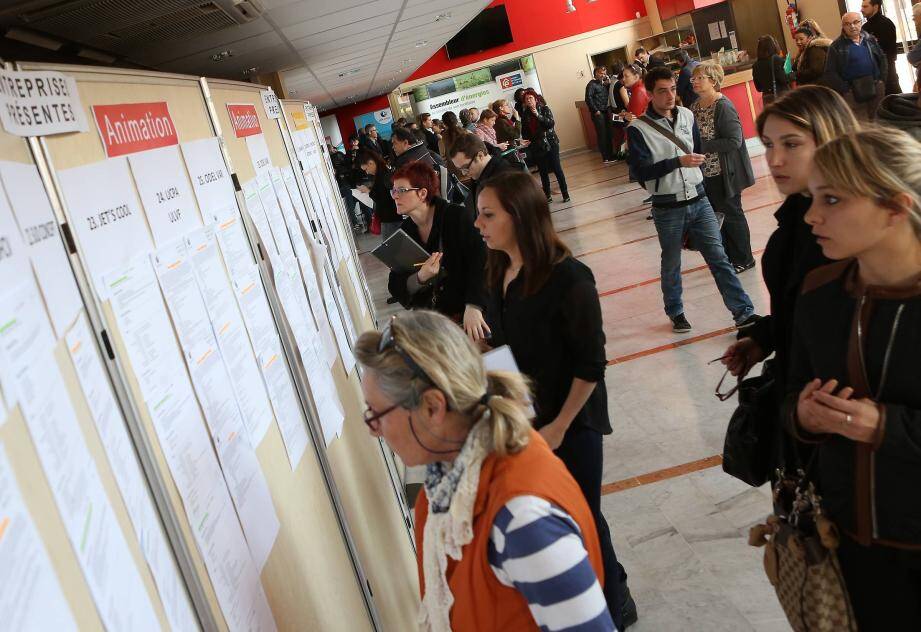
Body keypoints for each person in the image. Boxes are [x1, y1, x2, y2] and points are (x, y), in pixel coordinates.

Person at [355, 311, 615, 632]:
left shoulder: (523, 521)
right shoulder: (445, 488)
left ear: (433, 407)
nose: (374, 429)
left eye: (376, 413)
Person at [475, 171, 638, 630]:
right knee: (555, 515)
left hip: (572, 419)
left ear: (521, 217)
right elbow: (507, 347)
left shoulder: (570, 279)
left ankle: (613, 602)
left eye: (488, 215)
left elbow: (591, 364)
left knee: (584, 514)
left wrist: (561, 425)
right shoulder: (500, 273)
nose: (478, 224)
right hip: (529, 418)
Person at [786, 127, 921, 628]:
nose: (812, 215)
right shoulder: (821, 291)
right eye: (814, 197)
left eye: (833, 199)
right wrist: (803, 414)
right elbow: (789, 390)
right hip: (850, 539)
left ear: (895, 207)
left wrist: (882, 427)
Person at [721, 86, 856, 473]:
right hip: (803, 403)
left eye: (791, 144)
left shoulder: (851, 228)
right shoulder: (796, 217)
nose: (775, 160)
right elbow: (803, 308)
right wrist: (764, 338)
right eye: (768, 145)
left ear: (830, 140)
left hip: (837, 412)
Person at [627, 66, 758, 333]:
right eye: (662, 91)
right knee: (672, 261)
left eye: (673, 89)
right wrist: (677, 162)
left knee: (719, 257)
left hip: (699, 199)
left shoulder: (687, 115)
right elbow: (640, 173)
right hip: (668, 207)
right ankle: (675, 311)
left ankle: (743, 312)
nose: (670, 96)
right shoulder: (638, 130)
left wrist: (689, 164)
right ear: (649, 94)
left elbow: (697, 150)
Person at [386, 162, 488, 336]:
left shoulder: (456, 217)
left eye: (401, 191)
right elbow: (394, 284)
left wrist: (474, 305)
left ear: (422, 193)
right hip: (434, 326)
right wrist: (420, 277)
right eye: (393, 191)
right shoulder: (404, 233)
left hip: (472, 319)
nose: (395, 196)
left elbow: (482, 262)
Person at [690, 61, 757, 273]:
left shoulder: (723, 106)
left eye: (700, 78)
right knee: (717, 216)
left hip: (725, 172)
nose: (695, 82)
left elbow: (734, 140)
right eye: (694, 78)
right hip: (705, 173)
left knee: (732, 215)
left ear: (713, 81)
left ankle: (744, 258)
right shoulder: (694, 107)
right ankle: (728, 257)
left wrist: (704, 146)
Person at [823, 12, 888, 121]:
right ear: (843, 27)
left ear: (861, 23)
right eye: (847, 24)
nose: (852, 26)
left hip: (875, 86)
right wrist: (845, 89)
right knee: (860, 126)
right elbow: (830, 72)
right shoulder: (836, 46)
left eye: (855, 22)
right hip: (852, 92)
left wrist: (881, 80)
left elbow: (882, 58)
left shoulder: (869, 39)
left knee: (878, 122)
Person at [448, 133, 519, 223]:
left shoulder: (503, 180)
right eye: (460, 169)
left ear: (480, 156)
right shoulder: (480, 177)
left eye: (465, 167)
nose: (464, 173)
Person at [520, 88, 571, 204]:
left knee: (557, 169)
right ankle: (547, 195)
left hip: (550, 142)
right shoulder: (524, 115)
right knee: (543, 171)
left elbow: (550, 123)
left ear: (535, 99)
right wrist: (527, 140)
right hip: (537, 145)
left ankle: (565, 193)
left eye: (531, 98)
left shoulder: (544, 109)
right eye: (526, 99)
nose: (529, 101)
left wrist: (538, 115)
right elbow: (524, 131)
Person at [357, 149, 401, 240]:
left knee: (391, 245)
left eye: (366, 169)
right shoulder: (382, 174)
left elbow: (385, 198)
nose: (367, 172)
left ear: (371, 163)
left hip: (390, 218)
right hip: (390, 217)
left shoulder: (383, 176)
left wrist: (368, 191)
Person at [861, 0, 901, 95]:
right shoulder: (864, 27)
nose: (861, 9)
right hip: (871, 76)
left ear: (875, 7)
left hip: (887, 75)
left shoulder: (886, 24)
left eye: (865, 6)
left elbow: (888, 53)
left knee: (892, 103)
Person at [585, 66, 616, 163]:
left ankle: (611, 155)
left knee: (608, 134)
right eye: (601, 73)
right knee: (602, 135)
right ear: (596, 73)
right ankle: (606, 157)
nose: (603, 75)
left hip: (606, 111)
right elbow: (588, 99)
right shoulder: (591, 84)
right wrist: (595, 110)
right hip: (598, 113)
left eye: (604, 73)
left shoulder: (604, 84)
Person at [752, 35, 790, 104]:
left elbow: (758, 88)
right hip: (782, 98)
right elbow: (784, 79)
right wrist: (793, 74)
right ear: (773, 46)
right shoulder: (776, 59)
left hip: (767, 100)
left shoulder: (755, 65)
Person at [608, 62, 631, 158]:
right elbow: (627, 103)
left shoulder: (612, 82)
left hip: (614, 113)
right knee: (625, 133)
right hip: (622, 113)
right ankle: (623, 153)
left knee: (620, 134)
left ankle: (619, 154)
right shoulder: (620, 84)